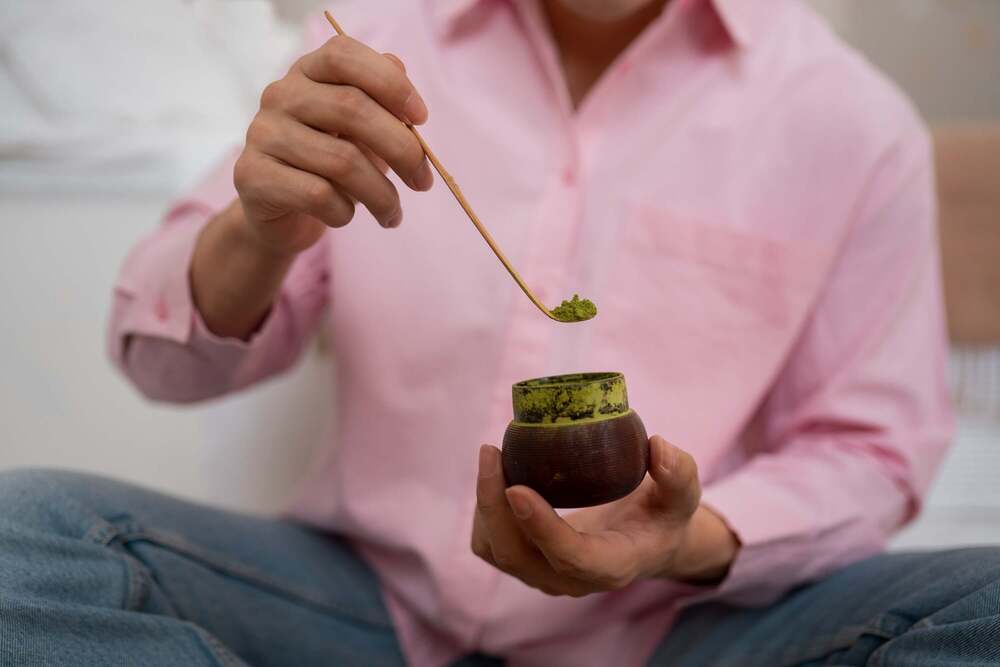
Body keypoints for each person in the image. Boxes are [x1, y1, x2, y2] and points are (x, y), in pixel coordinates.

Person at [1, 0, 997, 665]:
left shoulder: (850, 119)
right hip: (370, 609)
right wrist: (256, 231)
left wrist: (675, 541)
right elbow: (159, 359)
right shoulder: (383, 44)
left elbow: (868, 454)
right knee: (27, 542)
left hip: (680, 633)